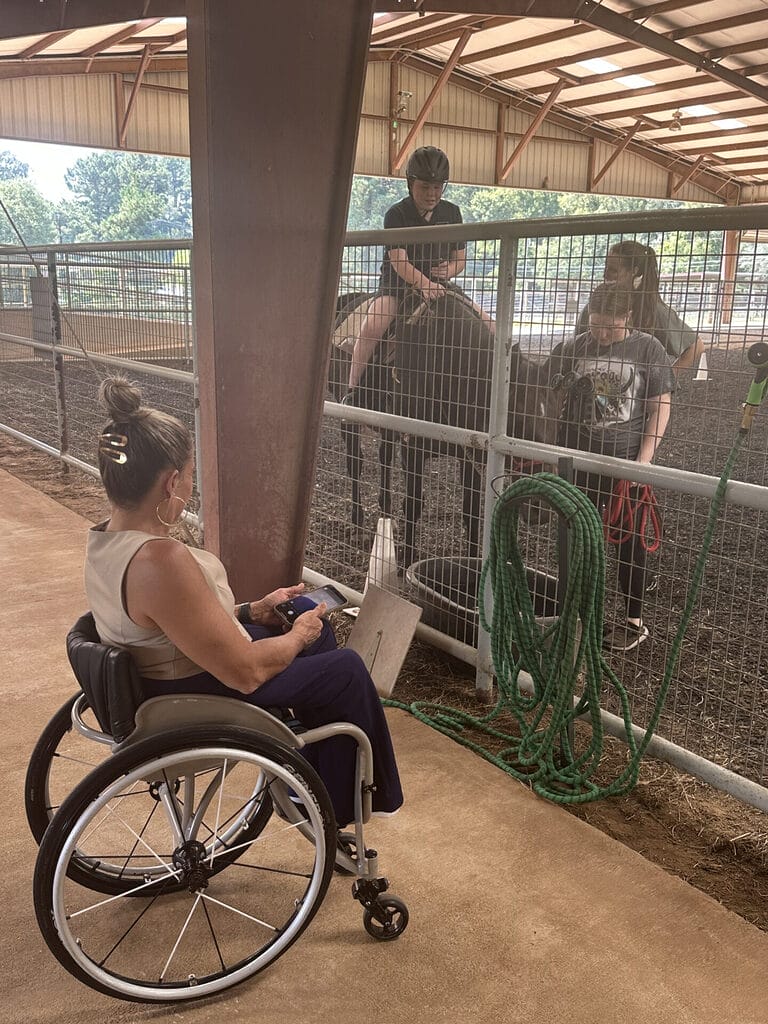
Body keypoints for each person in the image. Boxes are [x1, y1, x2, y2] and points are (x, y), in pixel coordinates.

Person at [85, 376, 403, 829]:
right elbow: (246, 672)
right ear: (172, 482)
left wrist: (250, 612)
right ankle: (333, 804)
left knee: (314, 634)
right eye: (191, 476)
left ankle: (312, 776)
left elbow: (164, 621)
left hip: (158, 674)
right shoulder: (159, 557)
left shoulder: (106, 540)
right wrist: (296, 636)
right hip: (191, 695)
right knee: (344, 668)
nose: (190, 486)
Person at [556, 283, 675, 652]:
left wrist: (643, 463)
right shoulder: (576, 346)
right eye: (596, 325)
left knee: (630, 542)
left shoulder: (647, 348)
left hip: (624, 461)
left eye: (610, 326)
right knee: (577, 537)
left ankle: (633, 621)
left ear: (628, 317)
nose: (602, 334)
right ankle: (577, 610)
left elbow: (660, 408)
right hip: (580, 458)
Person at [346, 145, 493, 393]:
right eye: (425, 187)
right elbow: (399, 261)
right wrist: (424, 283)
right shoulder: (397, 214)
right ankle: (351, 392)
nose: (432, 194)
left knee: (490, 323)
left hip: (440, 286)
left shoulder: (452, 212)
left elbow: (460, 259)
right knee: (372, 327)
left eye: (437, 187)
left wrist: (449, 271)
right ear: (410, 183)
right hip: (397, 286)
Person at [576, 240, 705, 374]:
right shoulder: (594, 307)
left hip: (636, 389)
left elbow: (696, 347)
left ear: (634, 271)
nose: (605, 274)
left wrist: (662, 381)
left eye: (613, 270)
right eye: (606, 268)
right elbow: (575, 348)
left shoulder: (652, 309)